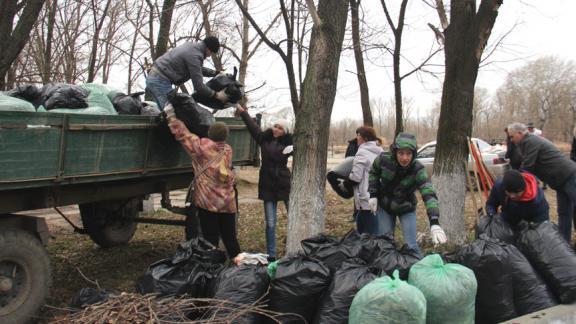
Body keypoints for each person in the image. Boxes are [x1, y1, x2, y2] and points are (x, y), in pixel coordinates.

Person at [166, 106, 241, 259]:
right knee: (230, 238)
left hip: (209, 203)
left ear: (209, 133)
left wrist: (171, 115)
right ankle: (241, 268)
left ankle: (212, 269)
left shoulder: (201, 148)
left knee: (210, 238)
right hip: (227, 203)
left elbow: (183, 135)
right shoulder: (227, 150)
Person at [368, 132, 447, 256]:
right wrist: (373, 194)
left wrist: (434, 222)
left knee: (411, 246)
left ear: (413, 154)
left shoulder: (417, 169)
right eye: (401, 153)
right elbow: (373, 173)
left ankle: (416, 271)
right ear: (395, 152)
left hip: (406, 207)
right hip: (385, 207)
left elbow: (428, 193)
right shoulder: (383, 160)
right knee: (385, 244)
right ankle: (387, 270)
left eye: (409, 153)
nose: (405, 158)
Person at [236, 105, 292, 261]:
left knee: (293, 218)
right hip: (267, 184)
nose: (276, 129)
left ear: (285, 132)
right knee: (270, 223)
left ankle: (294, 249)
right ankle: (271, 255)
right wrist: (243, 112)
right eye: (275, 126)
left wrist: (293, 149)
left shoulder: (289, 144)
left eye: (280, 128)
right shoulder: (263, 139)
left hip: (285, 183)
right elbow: (252, 126)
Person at [508, 122, 576, 242]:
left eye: (512, 136)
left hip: (570, 176)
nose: (511, 139)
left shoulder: (531, 141)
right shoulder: (525, 143)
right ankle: (564, 244)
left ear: (519, 133)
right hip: (560, 182)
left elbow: (528, 166)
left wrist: (512, 179)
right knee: (564, 213)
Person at [146, 36, 228, 110]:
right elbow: (199, 86)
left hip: (158, 77)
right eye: (211, 53)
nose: (209, 56)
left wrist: (215, 73)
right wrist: (216, 94)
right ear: (208, 48)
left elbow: (196, 68)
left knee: (173, 111)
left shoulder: (192, 47)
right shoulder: (195, 56)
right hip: (160, 81)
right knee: (171, 113)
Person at [343, 126, 383, 234]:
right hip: (377, 195)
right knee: (361, 223)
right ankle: (364, 247)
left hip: (366, 197)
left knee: (373, 232)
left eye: (358, 136)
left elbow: (356, 177)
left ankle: (377, 248)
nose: (357, 138)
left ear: (365, 138)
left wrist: (345, 183)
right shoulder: (379, 150)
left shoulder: (362, 152)